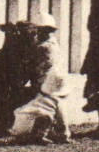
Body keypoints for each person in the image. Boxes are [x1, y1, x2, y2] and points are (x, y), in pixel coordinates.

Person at [9, 12, 72, 144]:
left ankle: (46, 132)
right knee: (58, 104)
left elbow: (38, 67)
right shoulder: (53, 43)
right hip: (58, 79)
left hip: (48, 80)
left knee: (46, 106)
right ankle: (62, 132)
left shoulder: (43, 47)